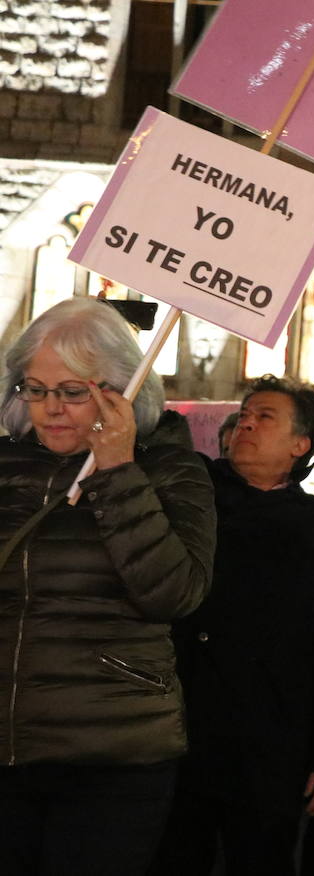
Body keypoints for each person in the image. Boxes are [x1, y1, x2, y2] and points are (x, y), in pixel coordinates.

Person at [0, 296, 215, 875]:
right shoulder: (6, 465)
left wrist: (118, 472)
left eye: (72, 391)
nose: (49, 408)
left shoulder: (170, 468)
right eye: (35, 389)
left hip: (112, 753)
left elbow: (176, 594)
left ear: (122, 387)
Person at [151, 375, 314, 876]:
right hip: (178, 731)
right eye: (245, 414)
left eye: (265, 416)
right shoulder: (192, 497)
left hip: (272, 748)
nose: (246, 422)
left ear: (301, 444)